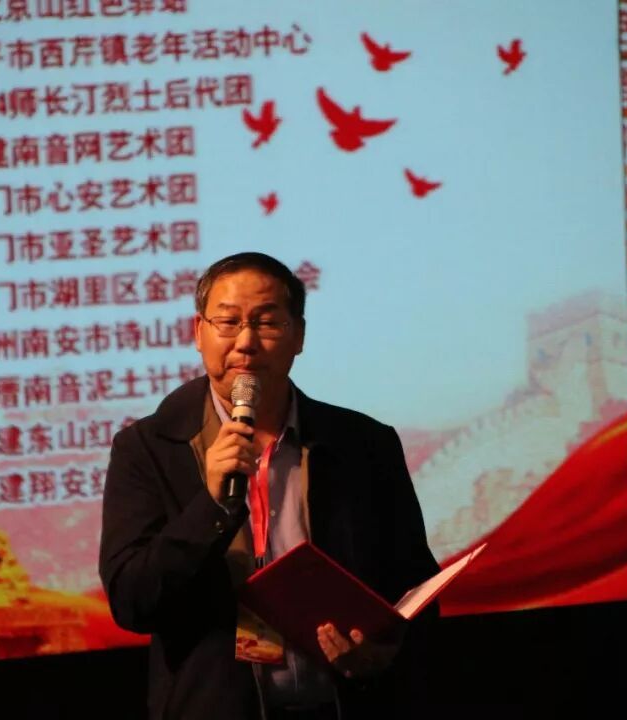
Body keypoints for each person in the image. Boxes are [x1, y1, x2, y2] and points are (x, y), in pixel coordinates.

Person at [100, 252, 440, 720]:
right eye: (227, 322)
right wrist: (211, 506)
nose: (245, 342)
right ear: (198, 332)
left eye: (266, 322)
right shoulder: (147, 448)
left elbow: (413, 586)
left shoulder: (364, 444)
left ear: (298, 336)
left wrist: (379, 650)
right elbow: (132, 603)